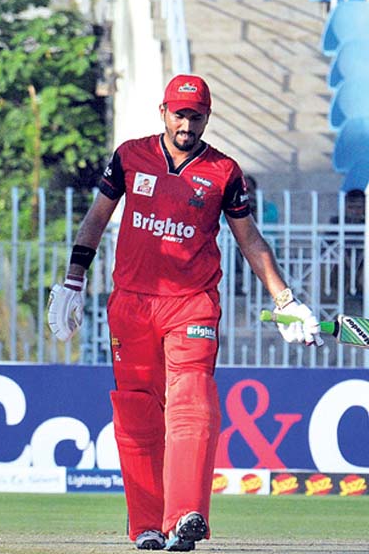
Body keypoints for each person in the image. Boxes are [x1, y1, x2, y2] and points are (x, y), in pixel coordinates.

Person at [47, 74, 322, 551]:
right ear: (163, 112)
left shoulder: (223, 171)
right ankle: (147, 527)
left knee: (193, 402)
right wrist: (73, 279)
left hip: (192, 302)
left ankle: (186, 515)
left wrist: (286, 299)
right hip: (132, 301)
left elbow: (249, 240)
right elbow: (97, 217)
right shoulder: (130, 156)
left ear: (207, 117)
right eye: (179, 114)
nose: (186, 124)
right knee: (137, 415)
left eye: (195, 116)